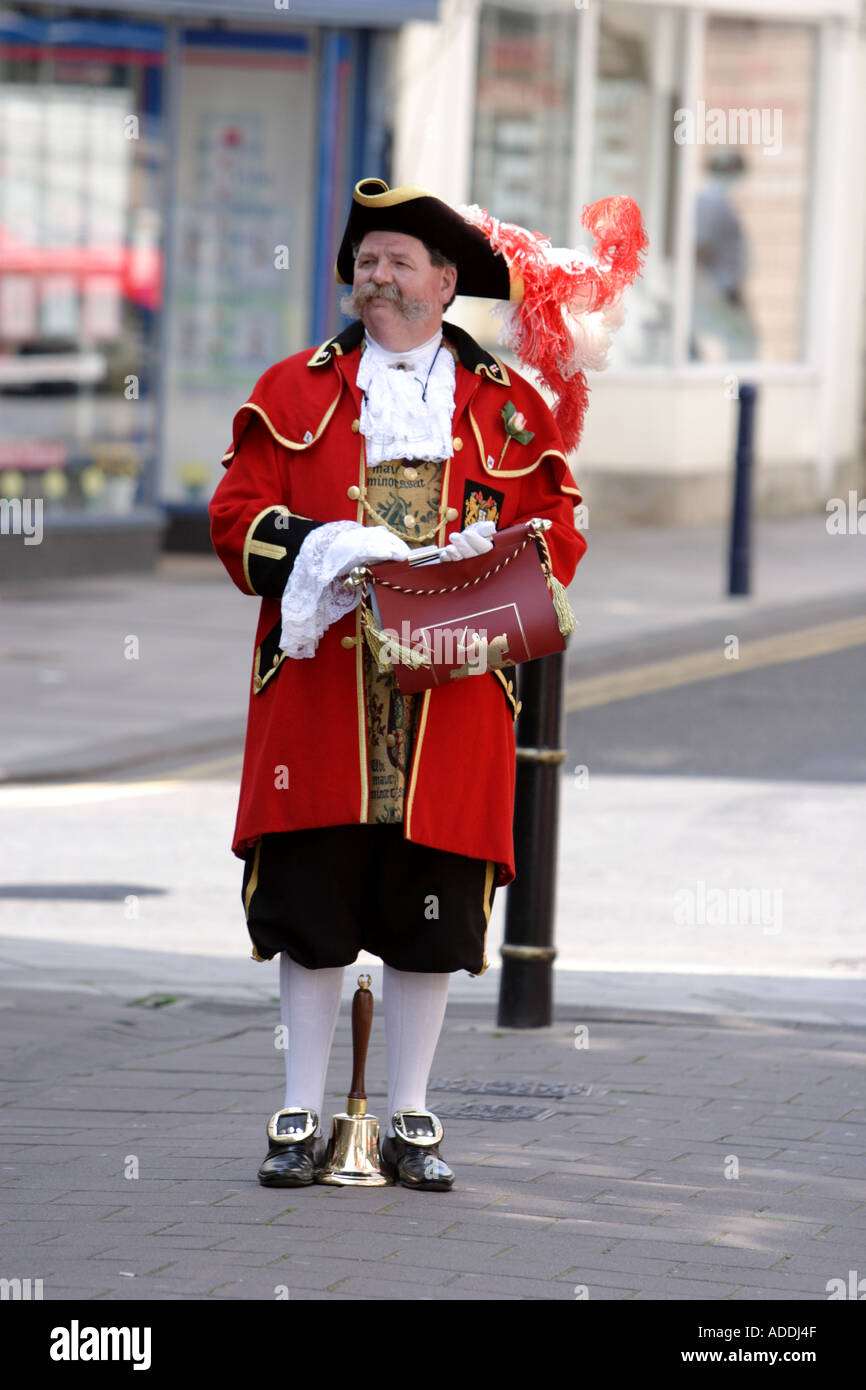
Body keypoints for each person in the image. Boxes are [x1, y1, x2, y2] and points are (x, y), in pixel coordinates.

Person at [208, 178, 646, 1190]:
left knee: (428, 915)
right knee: (311, 909)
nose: (377, 278)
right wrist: (328, 551)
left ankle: (408, 1113)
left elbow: (559, 534)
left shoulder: (506, 407)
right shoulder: (291, 392)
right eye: (365, 262)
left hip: (450, 697)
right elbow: (235, 521)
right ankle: (295, 1112)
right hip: (322, 695)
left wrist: (491, 565)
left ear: (445, 283)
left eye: (399, 262)